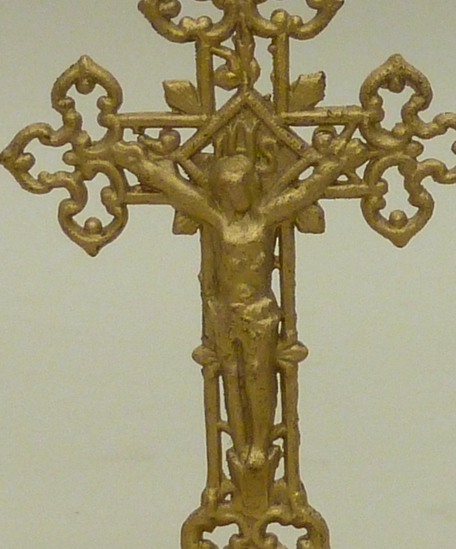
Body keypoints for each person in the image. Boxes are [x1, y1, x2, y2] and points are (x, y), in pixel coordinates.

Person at [114, 142, 341, 470]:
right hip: (224, 312)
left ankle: (260, 444)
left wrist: (332, 167)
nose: (238, 196)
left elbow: (303, 194)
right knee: (230, 376)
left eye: (242, 187)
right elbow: (179, 192)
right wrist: (141, 165)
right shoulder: (217, 220)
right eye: (230, 190)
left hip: (259, 313)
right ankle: (242, 443)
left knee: (258, 374)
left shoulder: (265, 218)